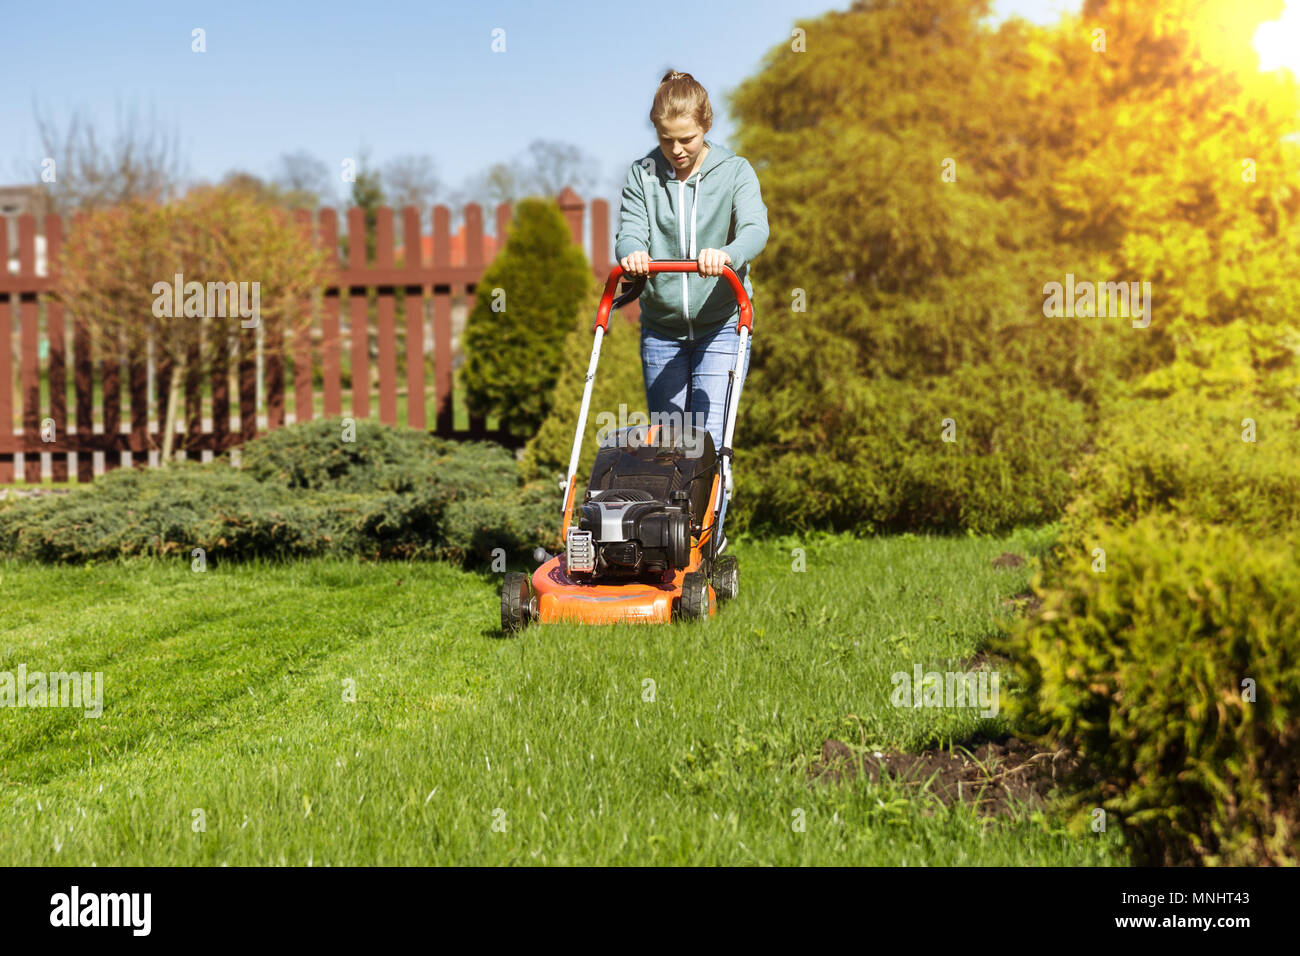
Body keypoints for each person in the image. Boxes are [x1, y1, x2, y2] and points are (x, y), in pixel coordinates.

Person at [614, 69, 770, 554]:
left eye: (687, 139)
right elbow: (629, 231)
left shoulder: (735, 171)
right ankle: (671, 543)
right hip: (661, 329)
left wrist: (726, 254)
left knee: (706, 438)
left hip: (722, 323)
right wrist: (634, 252)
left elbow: (755, 230)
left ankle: (708, 542)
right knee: (670, 444)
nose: (676, 150)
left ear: (706, 127)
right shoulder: (643, 175)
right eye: (667, 139)